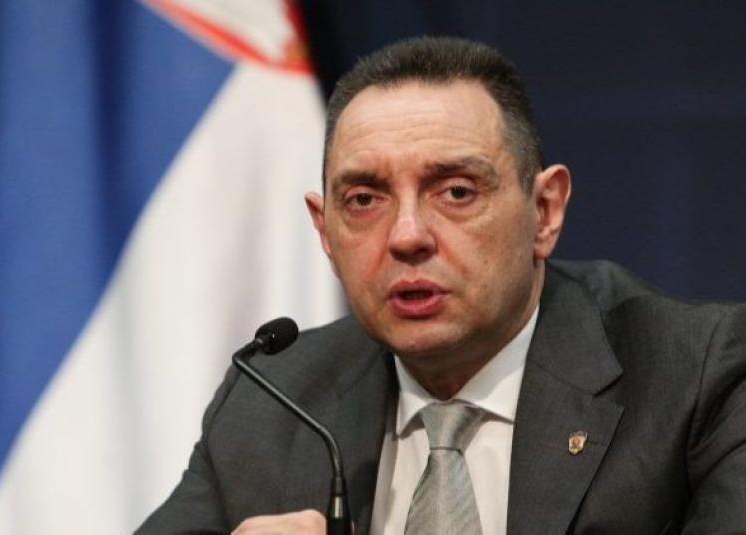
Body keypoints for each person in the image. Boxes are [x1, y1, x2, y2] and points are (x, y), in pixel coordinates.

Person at [137, 36, 746, 534]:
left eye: (456, 191)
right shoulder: (273, 401)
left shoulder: (695, 376)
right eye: (364, 199)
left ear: (544, 212)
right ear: (324, 231)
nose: (407, 236)